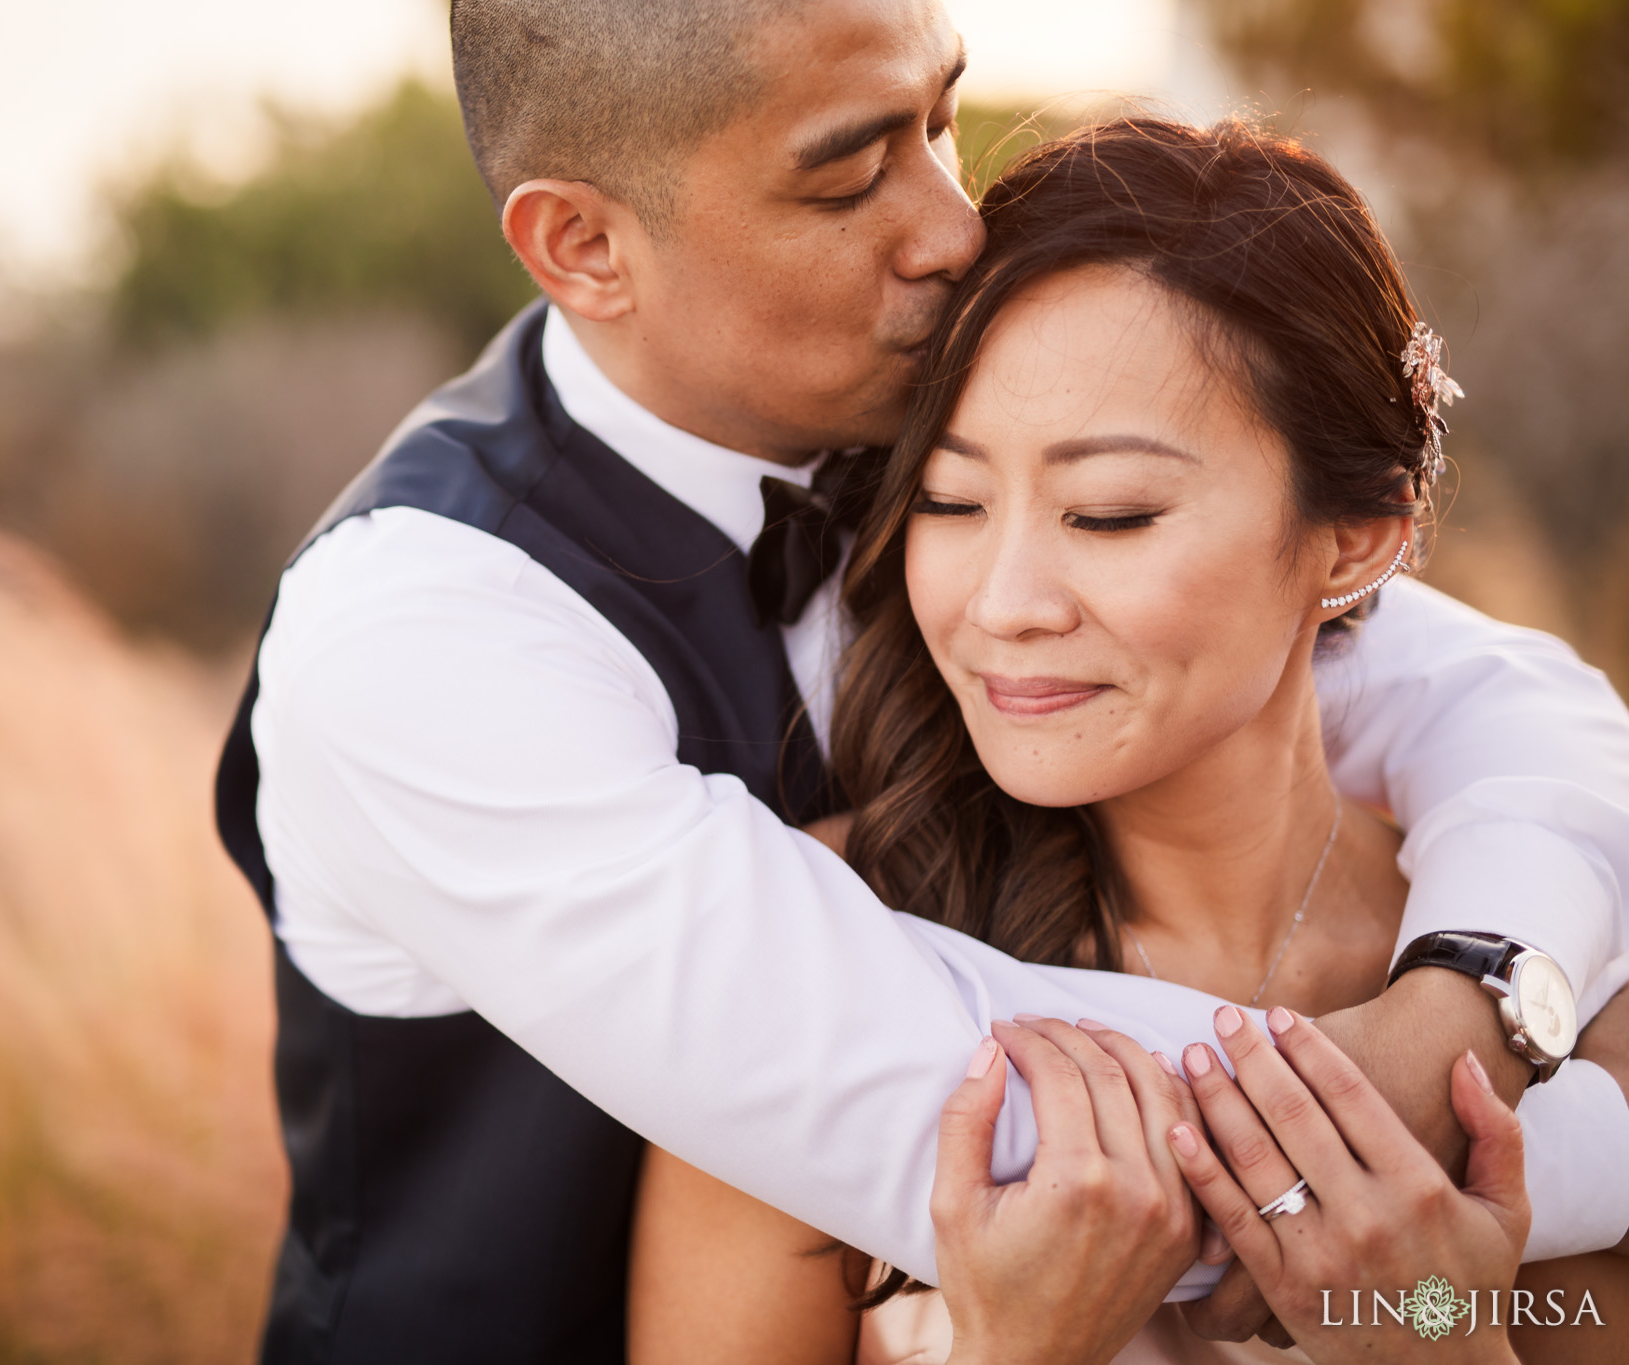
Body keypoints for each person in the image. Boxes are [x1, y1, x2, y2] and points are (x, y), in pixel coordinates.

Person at [212, 1, 1629, 1358]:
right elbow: (1016, 1152)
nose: (957, 228)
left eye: (941, 120)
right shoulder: (417, 628)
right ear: (583, 243)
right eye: (847, 180)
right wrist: (1527, 1133)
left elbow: (1507, 704)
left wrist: (1475, 992)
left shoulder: (963, 417)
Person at [626, 116, 1629, 1365]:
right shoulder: (812, 962)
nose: (1000, 603)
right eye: (948, 499)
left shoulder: (1561, 1014)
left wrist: (1424, 1332)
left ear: (1355, 538)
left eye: (1107, 514)